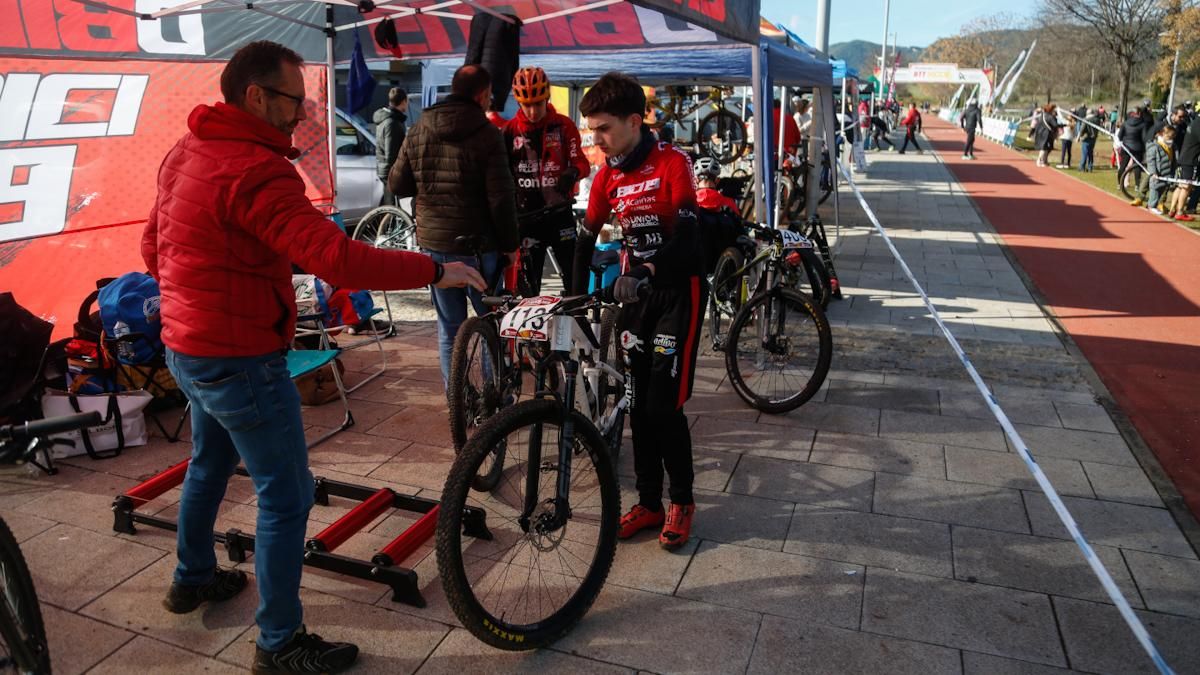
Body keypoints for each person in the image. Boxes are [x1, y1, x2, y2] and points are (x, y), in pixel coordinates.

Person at [142, 41, 484, 674]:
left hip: (186, 344)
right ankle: (278, 644)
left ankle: (190, 578)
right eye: (294, 101)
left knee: (209, 462)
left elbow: (151, 246)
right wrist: (435, 269)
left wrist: (196, 298)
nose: (301, 115)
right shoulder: (255, 169)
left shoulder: (187, 150)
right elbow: (338, 259)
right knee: (286, 495)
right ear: (255, 96)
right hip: (237, 355)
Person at [579, 72, 706, 550]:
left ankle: (683, 501)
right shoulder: (608, 174)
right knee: (637, 405)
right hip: (638, 300)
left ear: (635, 122)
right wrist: (571, 300)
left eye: (604, 129)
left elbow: (689, 240)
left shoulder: (672, 162)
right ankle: (649, 502)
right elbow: (585, 238)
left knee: (662, 407)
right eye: (591, 130)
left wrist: (650, 270)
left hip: (678, 294)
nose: (597, 140)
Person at [389, 64, 520, 383]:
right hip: (481, 249)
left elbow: (397, 185)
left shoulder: (419, 128)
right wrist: (511, 245)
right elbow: (501, 199)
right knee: (490, 322)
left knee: (449, 329)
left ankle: (456, 399)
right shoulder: (489, 135)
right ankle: (492, 397)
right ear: (482, 94)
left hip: (436, 246)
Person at [502, 66, 590, 295]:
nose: (532, 111)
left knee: (575, 283)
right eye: (526, 105)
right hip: (526, 219)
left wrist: (572, 172)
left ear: (547, 97)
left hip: (560, 215)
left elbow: (582, 163)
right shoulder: (509, 132)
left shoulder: (564, 126)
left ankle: (576, 324)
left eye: (538, 104)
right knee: (528, 291)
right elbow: (500, 176)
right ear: (518, 102)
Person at [373, 86, 408, 206]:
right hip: (390, 171)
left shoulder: (386, 119)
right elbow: (391, 154)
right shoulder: (392, 123)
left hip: (384, 169)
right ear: (403, 101)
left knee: (391, 205)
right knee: (395, 207)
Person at [1169, 110, 1200, 221]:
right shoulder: (1198, 124)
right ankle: (1180, 212)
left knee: (1180, 185)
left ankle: (1172, 210)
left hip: (1183, 158)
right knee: (1187, 187)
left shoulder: (1194, 123)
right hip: (1190, 160)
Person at [1118, 107, 1150, 205]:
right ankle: (1137, 185)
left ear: (1132, 113)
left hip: (1126, 146)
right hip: (1137, 148)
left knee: (1123, 166)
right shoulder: (1143, 124)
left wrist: (1124, 141)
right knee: (1137, 166)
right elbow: (1144, 138)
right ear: (1139, 113)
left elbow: (1119, 136)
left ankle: (1119, 184)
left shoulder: (1125, 123)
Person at [1145, 126, 1176, 214]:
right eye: (1169, 137)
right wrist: (1153, 172)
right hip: (1157, 174)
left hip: (1166, 173)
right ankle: (1151, 206)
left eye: (1172, 138)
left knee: (1161, 190)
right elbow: (1151, 161)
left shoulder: (1171, 146)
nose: (1171, 140)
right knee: (1154, 189)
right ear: (1162, 134)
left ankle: (1154, 204)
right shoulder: (1154, 146)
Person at [1032, 104, 1060, 168]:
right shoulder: (1050, 117)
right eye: (1053, 109)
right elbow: (1055, 125)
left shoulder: (1043, 115)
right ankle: (1039, 160)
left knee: (1046, 148)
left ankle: (1044, 161)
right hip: (1046, 134)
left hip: (1041, 133)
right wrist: (1064, 125)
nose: (1054, 110)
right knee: (1044, 148)